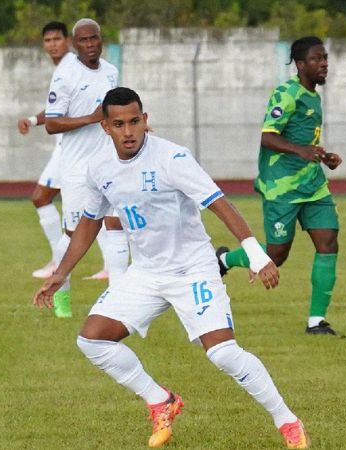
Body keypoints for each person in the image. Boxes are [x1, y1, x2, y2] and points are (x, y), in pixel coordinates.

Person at [33, 87, 310, 449]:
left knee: (223, 353)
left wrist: (257, 256)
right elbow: (89, 222)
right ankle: (160, 400)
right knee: (92, 340)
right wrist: (61, 273)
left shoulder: (172, 158)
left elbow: (219, 203)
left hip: (192, 269)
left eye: (135, 121)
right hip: (145, 273)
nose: (128, 131)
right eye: (119, 124)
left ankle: (287, 421)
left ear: (145, 121)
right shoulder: (99, 168)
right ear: (105, 127)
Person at [215, 36, 342, 335]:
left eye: (324, 58)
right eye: (316, 59)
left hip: (313, 185)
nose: (323, 63)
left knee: (328, 243)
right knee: (277, 255)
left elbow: (303, 140)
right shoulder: (286, 93)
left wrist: (323, 156)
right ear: (300, 65)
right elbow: (268, 136)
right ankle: (223, 259)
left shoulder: (313, 96)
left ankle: (316, 321)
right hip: (281, 188)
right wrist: (301, 151)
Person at [43, 18, 130, 317]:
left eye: (94, 39)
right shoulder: (65, 74)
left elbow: (115, 111)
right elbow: (52, 123)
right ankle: (61, 295)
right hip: (77, 169)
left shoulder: (111, 71)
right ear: (75, 44)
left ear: (101, 39)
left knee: (116, 224)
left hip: (109, 163)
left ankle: (118, 300)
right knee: (73, 233)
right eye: (83, 40)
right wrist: (89, 118)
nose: (90, 45)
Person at [18, 21, 110, 281]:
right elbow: (59, 111)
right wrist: (35, 121)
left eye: (56, 39)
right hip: (71, 152)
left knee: (106, 215)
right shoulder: (66, 70)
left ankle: (112, 272)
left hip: (83, 153)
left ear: (67, 41)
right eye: (47, 41)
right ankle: (62, 275)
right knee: (81, 219)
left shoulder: (77, 66)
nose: (52, 45)